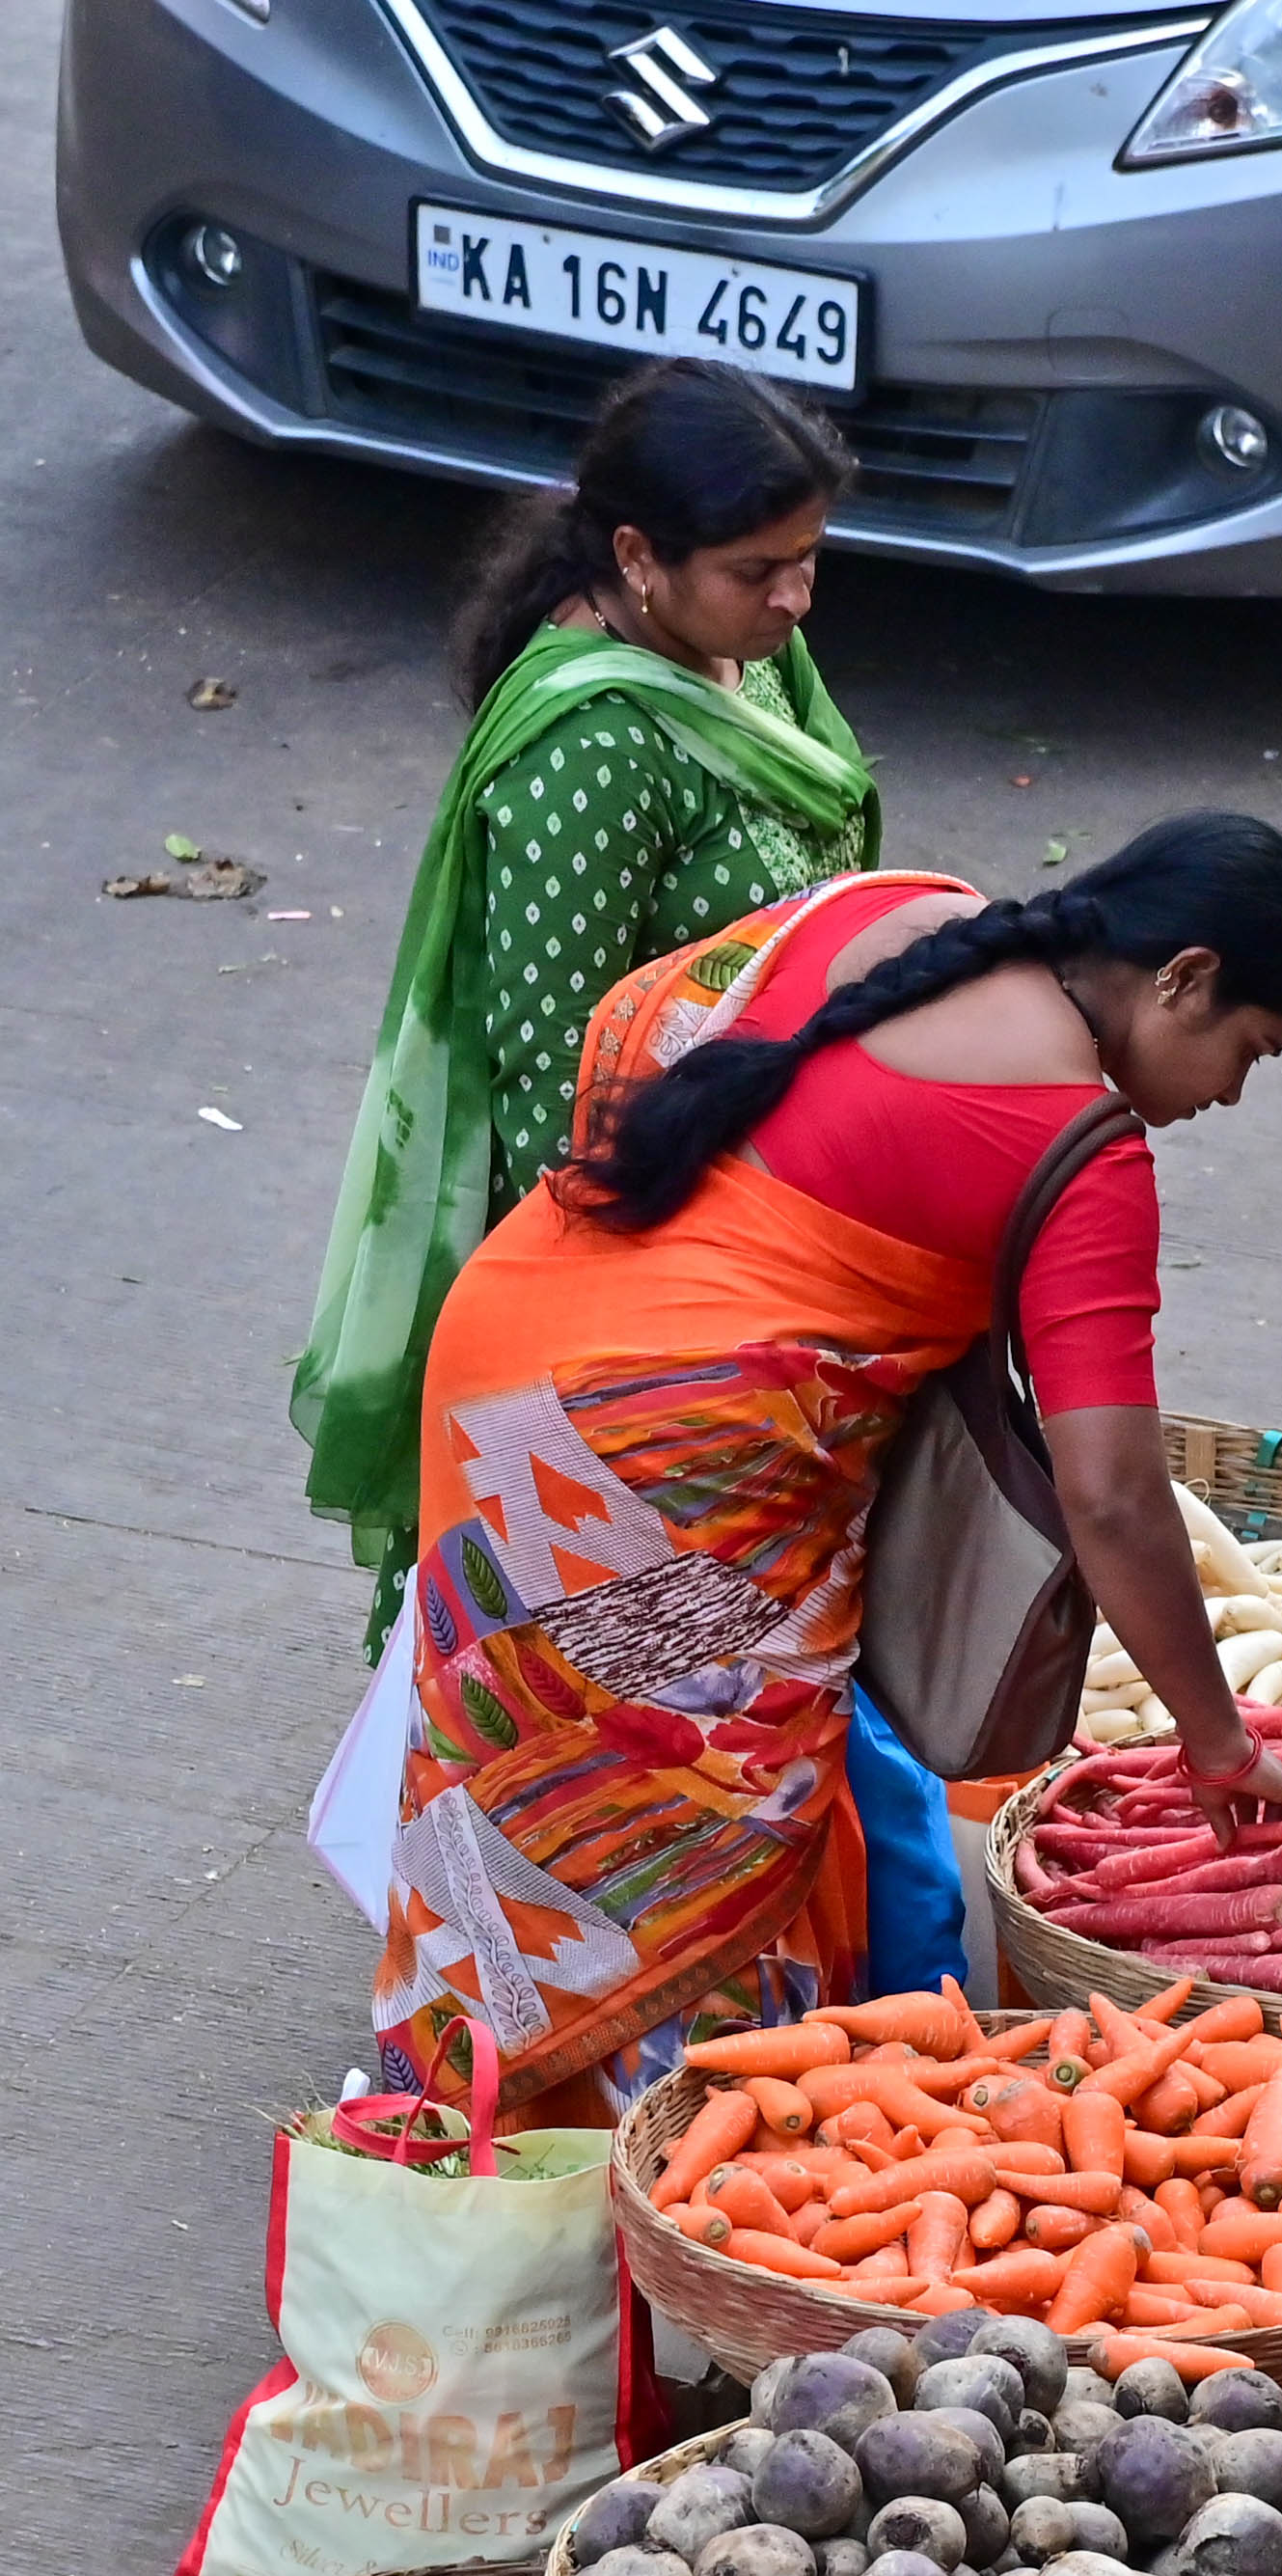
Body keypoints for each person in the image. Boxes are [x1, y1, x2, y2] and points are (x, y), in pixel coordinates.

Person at [369, 814, 1282, 2119]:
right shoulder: (1086, 1153)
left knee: (529, 1772)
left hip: (514, 1357)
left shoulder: (902, 912)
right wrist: (1216, 1744)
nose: (1227, 1092)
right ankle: (645, 2189)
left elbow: (630, 1034)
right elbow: (1110, 1495)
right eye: (1248, 1051)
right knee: (682, 1838)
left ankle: (473, 2132)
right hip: (657, 1466)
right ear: (1184, 976)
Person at [296, 360, 877, 1629]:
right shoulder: (593, 750)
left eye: (808, 557)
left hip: (763, 1186)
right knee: (587, 1631)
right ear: (637, 555)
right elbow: (557, 1082)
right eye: (756, 569)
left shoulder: (745, 655)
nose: (793, 596)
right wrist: (670, 1309)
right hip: (650, 1232)